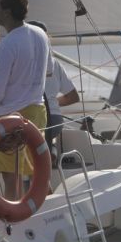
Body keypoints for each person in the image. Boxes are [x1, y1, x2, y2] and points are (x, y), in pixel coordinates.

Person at [0, 0, 51, 200]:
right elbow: (49, 70)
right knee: (40, 172)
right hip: (38, 111)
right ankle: (51, 210)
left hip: (11, 118)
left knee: (11, 178)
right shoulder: (41, 34)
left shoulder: (7, 43)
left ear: (7, 12)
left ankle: (12, 217)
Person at [27, 20, 80, 160]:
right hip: (55, 120)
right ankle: (51, 152)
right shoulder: (55, 63)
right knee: (45, 141)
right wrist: (52, 103)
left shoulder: (22, 60)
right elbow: (73, 97)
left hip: (34, 118)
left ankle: (49, 153)